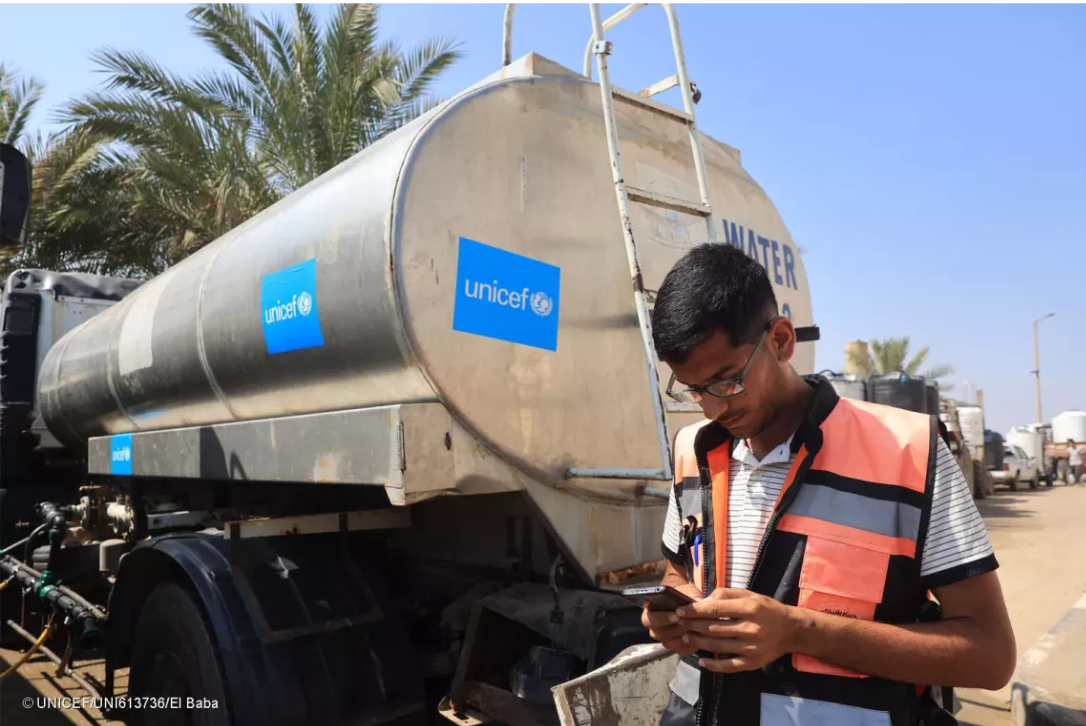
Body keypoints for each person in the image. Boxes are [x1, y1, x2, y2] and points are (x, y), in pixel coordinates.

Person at [642, 244, 1016, 726]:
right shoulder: (692, 449)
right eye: (693, 390)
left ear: (780, 340)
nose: (712, 408)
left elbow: (989, 656)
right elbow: (677, 576)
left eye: (726, 381)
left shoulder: (908, 451)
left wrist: (799, 632)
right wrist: (673, 618)